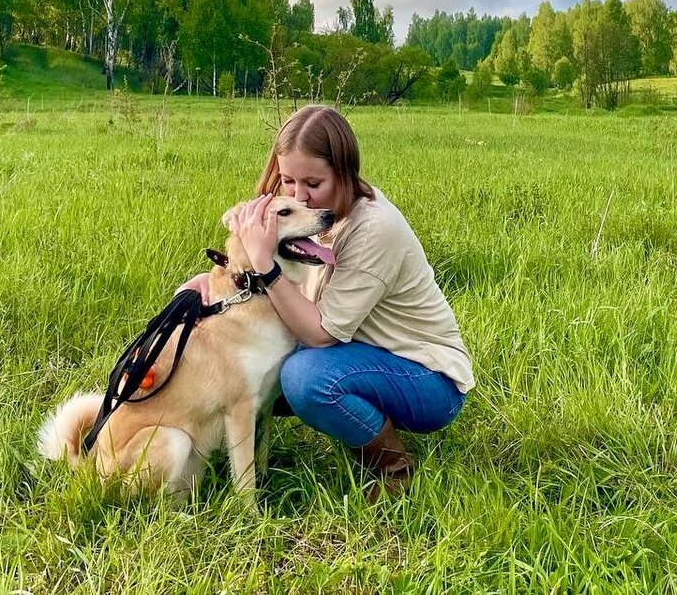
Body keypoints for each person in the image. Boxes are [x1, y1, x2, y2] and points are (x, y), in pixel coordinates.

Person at [178, 104, 473, 496]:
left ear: (344, 173)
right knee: (259, 352)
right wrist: (218, 283)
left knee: (303, 376)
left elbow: (319, 334)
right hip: (362, 355)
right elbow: (267, 293)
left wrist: (266, 268)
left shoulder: (373, 230)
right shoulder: (308, 219)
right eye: (288, 182)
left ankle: (392, 467)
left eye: (314, 184)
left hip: (427, 378)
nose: (301, 197)